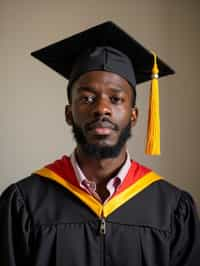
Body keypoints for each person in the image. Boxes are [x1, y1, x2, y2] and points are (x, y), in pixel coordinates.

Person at [0, 21, 200, 266]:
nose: (102, 108)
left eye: (116, 99)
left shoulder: (171, 208)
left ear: (134, 115)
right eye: (87, 98)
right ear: (69, 113)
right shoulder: (25, 203)